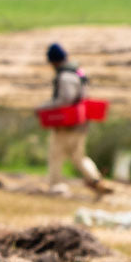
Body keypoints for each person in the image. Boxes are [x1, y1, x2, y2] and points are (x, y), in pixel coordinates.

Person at [37, 43, 111, 196]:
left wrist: (43, 108)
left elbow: (65, 100)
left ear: (54, 61)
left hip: (66, 124)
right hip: (81, 123)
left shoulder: (65, 77)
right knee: (78, 157)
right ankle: (95, 180)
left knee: (56, 154)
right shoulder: (78, 72)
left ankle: (56, 186)